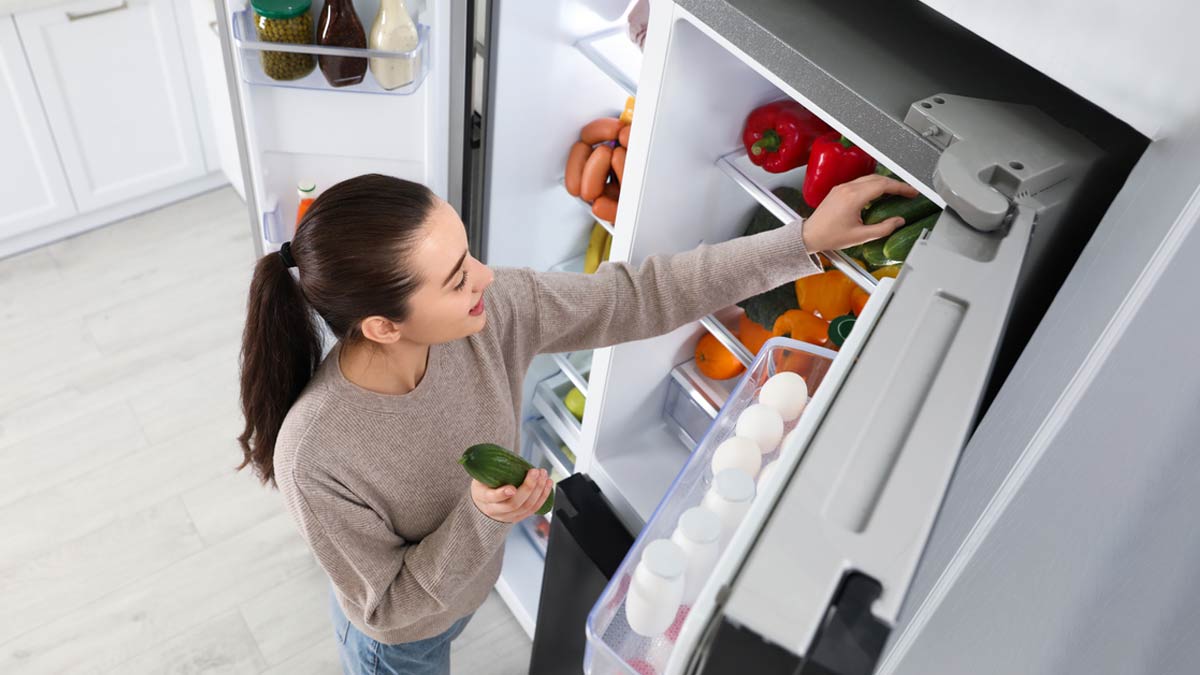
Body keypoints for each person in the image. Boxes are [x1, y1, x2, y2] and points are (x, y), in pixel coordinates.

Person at [237, 172, 916, 674]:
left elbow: (637, 296)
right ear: (384, 326)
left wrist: (804, 240)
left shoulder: (490, 313)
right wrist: (483, 517)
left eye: (469, 254)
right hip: (401, 639)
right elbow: (388, 607)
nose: (486, 278)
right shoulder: (316, 452)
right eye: (456, 278)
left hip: (467, 584)